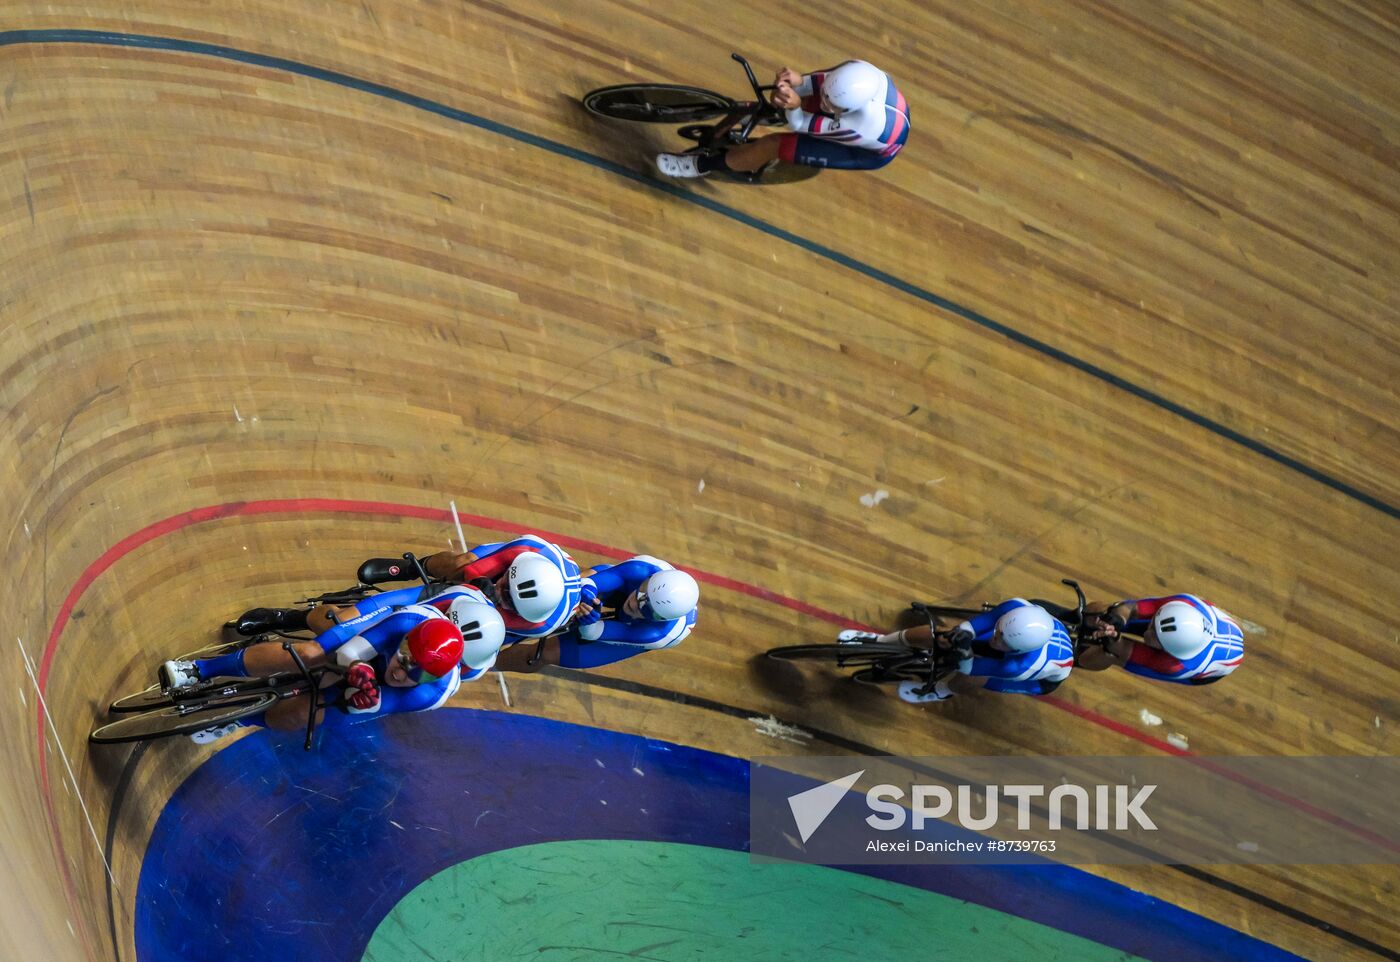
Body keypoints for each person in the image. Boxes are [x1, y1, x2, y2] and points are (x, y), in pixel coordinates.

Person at [178, 599, 500, 744]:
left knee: (308, 714)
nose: (400, 674)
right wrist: (357, 667)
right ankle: (200, 669)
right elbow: (349, 651)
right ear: (405, 641)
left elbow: (372, 705)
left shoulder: (431, 693)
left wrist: (360, 696)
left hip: (381, 684)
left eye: (414, 675)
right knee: (310, 653)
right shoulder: (407, 621)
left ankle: (241, 719)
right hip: (374, 637)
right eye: (403, 659)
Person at [656, 59, 909, 179]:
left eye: (831, 105)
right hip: (850, 109)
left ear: (850, 109)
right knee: (796, 97)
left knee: (774, 144)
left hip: (865, 150)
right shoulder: (856, 70)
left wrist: (796, 106)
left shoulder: (863, 126)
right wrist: (797, 82)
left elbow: (799, 124)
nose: (824, 103)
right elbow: (816, 84)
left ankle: (700, 165)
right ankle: (763, 115)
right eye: (826, 96)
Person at [350, 533, 583, 643]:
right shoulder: (526, 549)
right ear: (512, 570)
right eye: (504, 585)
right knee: (462, 565)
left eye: (509, 600)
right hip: (529, 562)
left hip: (524, 613)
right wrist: (473, 584)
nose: (500, 593)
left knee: (473, 634)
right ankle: (413, 567)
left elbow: (491, 624)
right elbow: (473, 571)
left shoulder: (540, 623)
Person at [838, 599, 1074, 703]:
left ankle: (941, 691)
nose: (995, 640)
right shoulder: (1017, 607)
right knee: (941, 634)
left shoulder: (1023, 666)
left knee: (975, 678)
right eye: (998, 632)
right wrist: (960, 634)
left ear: (1019, 649)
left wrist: (963, 656)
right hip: (1016, 638)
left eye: (1004, 643)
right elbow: (982, 623)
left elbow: (972, 668)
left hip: (1040, 681)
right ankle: (881, 641)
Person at [496, 555, 699, 671]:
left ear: (660, 619)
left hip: (632, 629)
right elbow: (590, 582)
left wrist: (588, 622)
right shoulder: (642, 568)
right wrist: (586, 593)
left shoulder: (657, 634)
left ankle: (486, 666)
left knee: (543, 655)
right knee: (565, 593)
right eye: (643, 592)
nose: (636, 603)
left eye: (647, 609)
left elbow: (592, 633)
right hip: (622, 588)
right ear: (650, 579)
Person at [1071, 594, 1244, 685]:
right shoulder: (1182, 603)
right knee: (1104, 611)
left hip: (1196, 667)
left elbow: (1122, 650)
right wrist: (1115, 619)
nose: (1148, 634)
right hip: (1201, 621)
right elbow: (1129, 608)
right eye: (1153, 625)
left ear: (1168, 650)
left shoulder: (1176, 665)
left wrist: (1113, 641)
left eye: (1156, 638)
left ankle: (1069, 658)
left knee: (1109, 654)